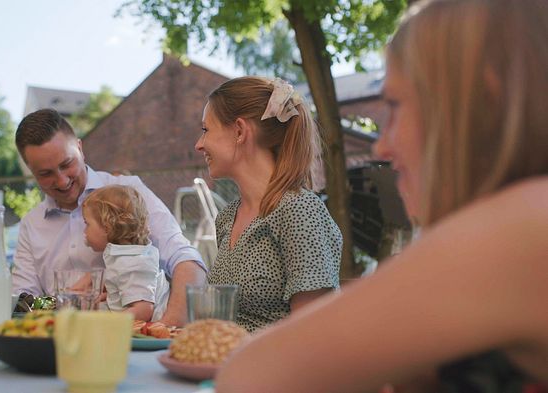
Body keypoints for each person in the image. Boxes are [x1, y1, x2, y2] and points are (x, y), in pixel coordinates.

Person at [215, 0, 548, 391]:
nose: (381, 147)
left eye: (394, 105)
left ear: (483, 103)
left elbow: (250, 376)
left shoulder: (523, 230)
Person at [12, 108, 206, 326]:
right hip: (60, 341)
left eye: (66, 164)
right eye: (46, 174)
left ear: (79, 148)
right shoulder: (31, 224)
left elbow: (186, 260)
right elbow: (24, 299)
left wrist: (165, 328)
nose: (62, 181)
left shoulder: (128, 193)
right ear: (31, 172)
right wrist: (64, 303)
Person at [196, 76, 342, 332]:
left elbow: (314, 331)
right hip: (226, 366)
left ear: (240, 131)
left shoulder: (299, 210)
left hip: (279, 371)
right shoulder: (227, 218)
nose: (199, 144)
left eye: (206, 130)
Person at [81, 185, 169, 322]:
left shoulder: (132, 263)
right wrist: (112, 298)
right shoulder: (127, 258)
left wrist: (107, 323)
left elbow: (144, 310)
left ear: (106, 227)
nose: (84, 231)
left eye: (87, 224)